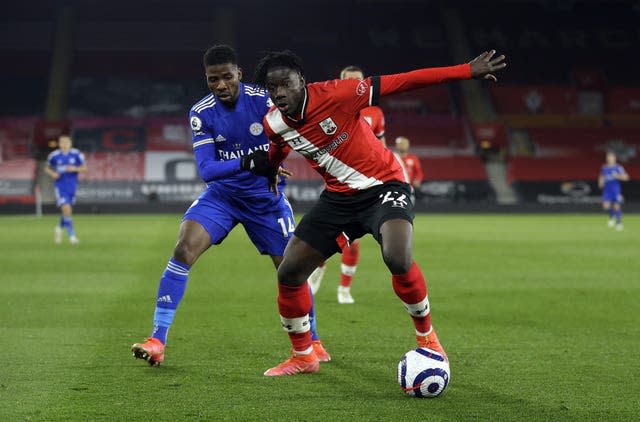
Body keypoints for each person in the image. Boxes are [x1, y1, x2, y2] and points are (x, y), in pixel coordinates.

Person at [249, 49, 506, 376]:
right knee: (289, 273)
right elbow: (278, 146)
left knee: (397, 257)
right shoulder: (273, 122)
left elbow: (404, 81)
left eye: (286, 84)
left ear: (303, 80)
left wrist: (465, 71)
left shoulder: (338, 94)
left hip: (384, 186)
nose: (280, 93)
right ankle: (303, 356)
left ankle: (428, 337)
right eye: (273, 88)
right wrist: (271, 168)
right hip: (338, 199)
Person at [131, 45, 330, 367]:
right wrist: (250, 161)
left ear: (238, 73)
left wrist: (270, 162)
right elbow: (207, 170)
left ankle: (314, 342)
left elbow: (290, 137)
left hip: (266, 200)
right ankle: (157, 340)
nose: (221, 85)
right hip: (223, 197)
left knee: (291, 271)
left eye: (226, 77)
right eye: (213, 80)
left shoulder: (263, 100)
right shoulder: (202, 112)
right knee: (183, 249)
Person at [307, 65, 388, 304]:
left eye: (357, 81)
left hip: (366, 184)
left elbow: (382, 146)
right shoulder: (332, 108)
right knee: (327, 234)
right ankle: (319, 268)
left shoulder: (375, 112)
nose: (354, 85)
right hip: (339, 181)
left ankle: (344, 289)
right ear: (339, 82)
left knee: (353, 237)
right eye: (349, 81)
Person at [44, 134, 87, 245]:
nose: (64, 145)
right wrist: (53, 173)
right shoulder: (54, 156)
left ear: (70, 143)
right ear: (59, 144)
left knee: (67, 211)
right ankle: (71, 236)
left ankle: (59, 228)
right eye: (62, 143)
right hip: (60, 186)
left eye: (66, 142)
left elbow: (85, 168)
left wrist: (75, 168)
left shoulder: (77, 154)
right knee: (66, 208)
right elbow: (46, 168)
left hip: (72, 186)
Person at [598, 151, 629, 231]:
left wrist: (618, 176)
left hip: (615, 190)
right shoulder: (604, 167)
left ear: (614, 158)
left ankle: (619, 223)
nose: (609, 158)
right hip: (607, 190)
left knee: (616, 206)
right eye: (608, 157)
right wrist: (601, 182)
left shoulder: (618, 167)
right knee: (605, 206)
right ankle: (612, 216)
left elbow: (626, 177)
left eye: (611, 157)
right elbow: (602, 176)